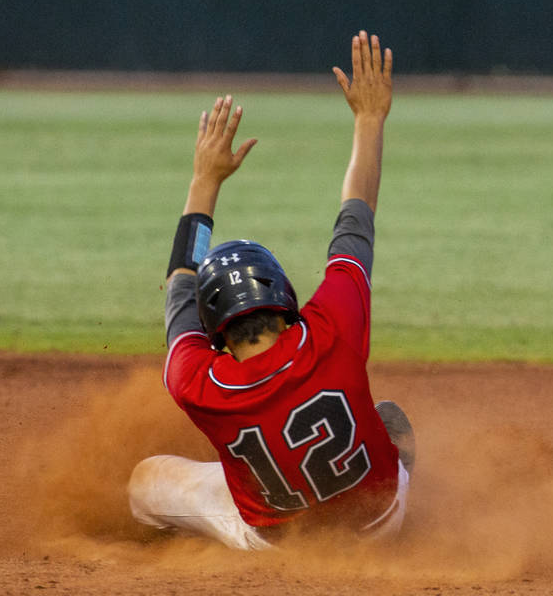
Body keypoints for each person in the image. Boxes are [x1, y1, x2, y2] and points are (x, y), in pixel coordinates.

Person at [128, 30, 415, 549]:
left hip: (280, 545)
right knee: (385, 419)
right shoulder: (333, 325)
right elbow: (356, 217)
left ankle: (174, 551)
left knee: (145, 481)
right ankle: (400, 470)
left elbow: (179, 284)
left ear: (215, 331)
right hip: (383, 522)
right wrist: (369, 120)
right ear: (286, 304)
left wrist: (204, 180)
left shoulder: (197, 381)